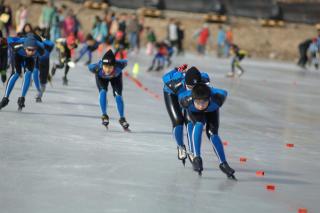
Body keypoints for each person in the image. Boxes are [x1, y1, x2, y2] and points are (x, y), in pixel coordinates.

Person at [179, 83, 236, 179]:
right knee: (199, 124)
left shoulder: (218, 98)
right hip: (194, 112)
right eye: (198, 102)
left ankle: (223, 164)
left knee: (213, 134)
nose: (201, 106)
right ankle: (197, 158)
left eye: (204, 102)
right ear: (193, 100)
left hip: (212, 110)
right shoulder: (185, 100)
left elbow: (225, 92)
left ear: (209, 99)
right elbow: (179, 97)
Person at [162, 66, 210, 165]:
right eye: (190, 87)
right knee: (178, 121)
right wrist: (176, 69)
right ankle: (180, 146)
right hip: (172, 94)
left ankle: (192, 151)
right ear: (185, 83)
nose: (192, 90)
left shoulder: (204, 79)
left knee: (191, 121)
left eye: (195, 88)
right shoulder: (174, 83)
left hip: (188, 96)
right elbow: (165, 77)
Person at [0, 33, 45, 111]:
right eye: (29, 50)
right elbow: (8, 39)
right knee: (16, 73)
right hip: (18, 54)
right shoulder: (17, 46)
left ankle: (22, 98)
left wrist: (39, 41)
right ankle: (5, 98)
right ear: (25, 48)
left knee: (28, 74)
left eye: (33, 50)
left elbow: (46, 44)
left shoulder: (40, 50)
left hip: (30, 58)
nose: (31, 52)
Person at [88, 49, 130, 130]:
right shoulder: (96, 67)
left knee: (118, 96)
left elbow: (126, 61)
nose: (107, 70)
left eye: (110, 67)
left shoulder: (120, 64)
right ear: (102, 65)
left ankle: (122, 118)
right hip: (101, 78)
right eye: (105, 67)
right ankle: (104, 115)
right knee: (103, 92)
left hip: (116, 78)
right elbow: (89, 67)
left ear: (114, 65)